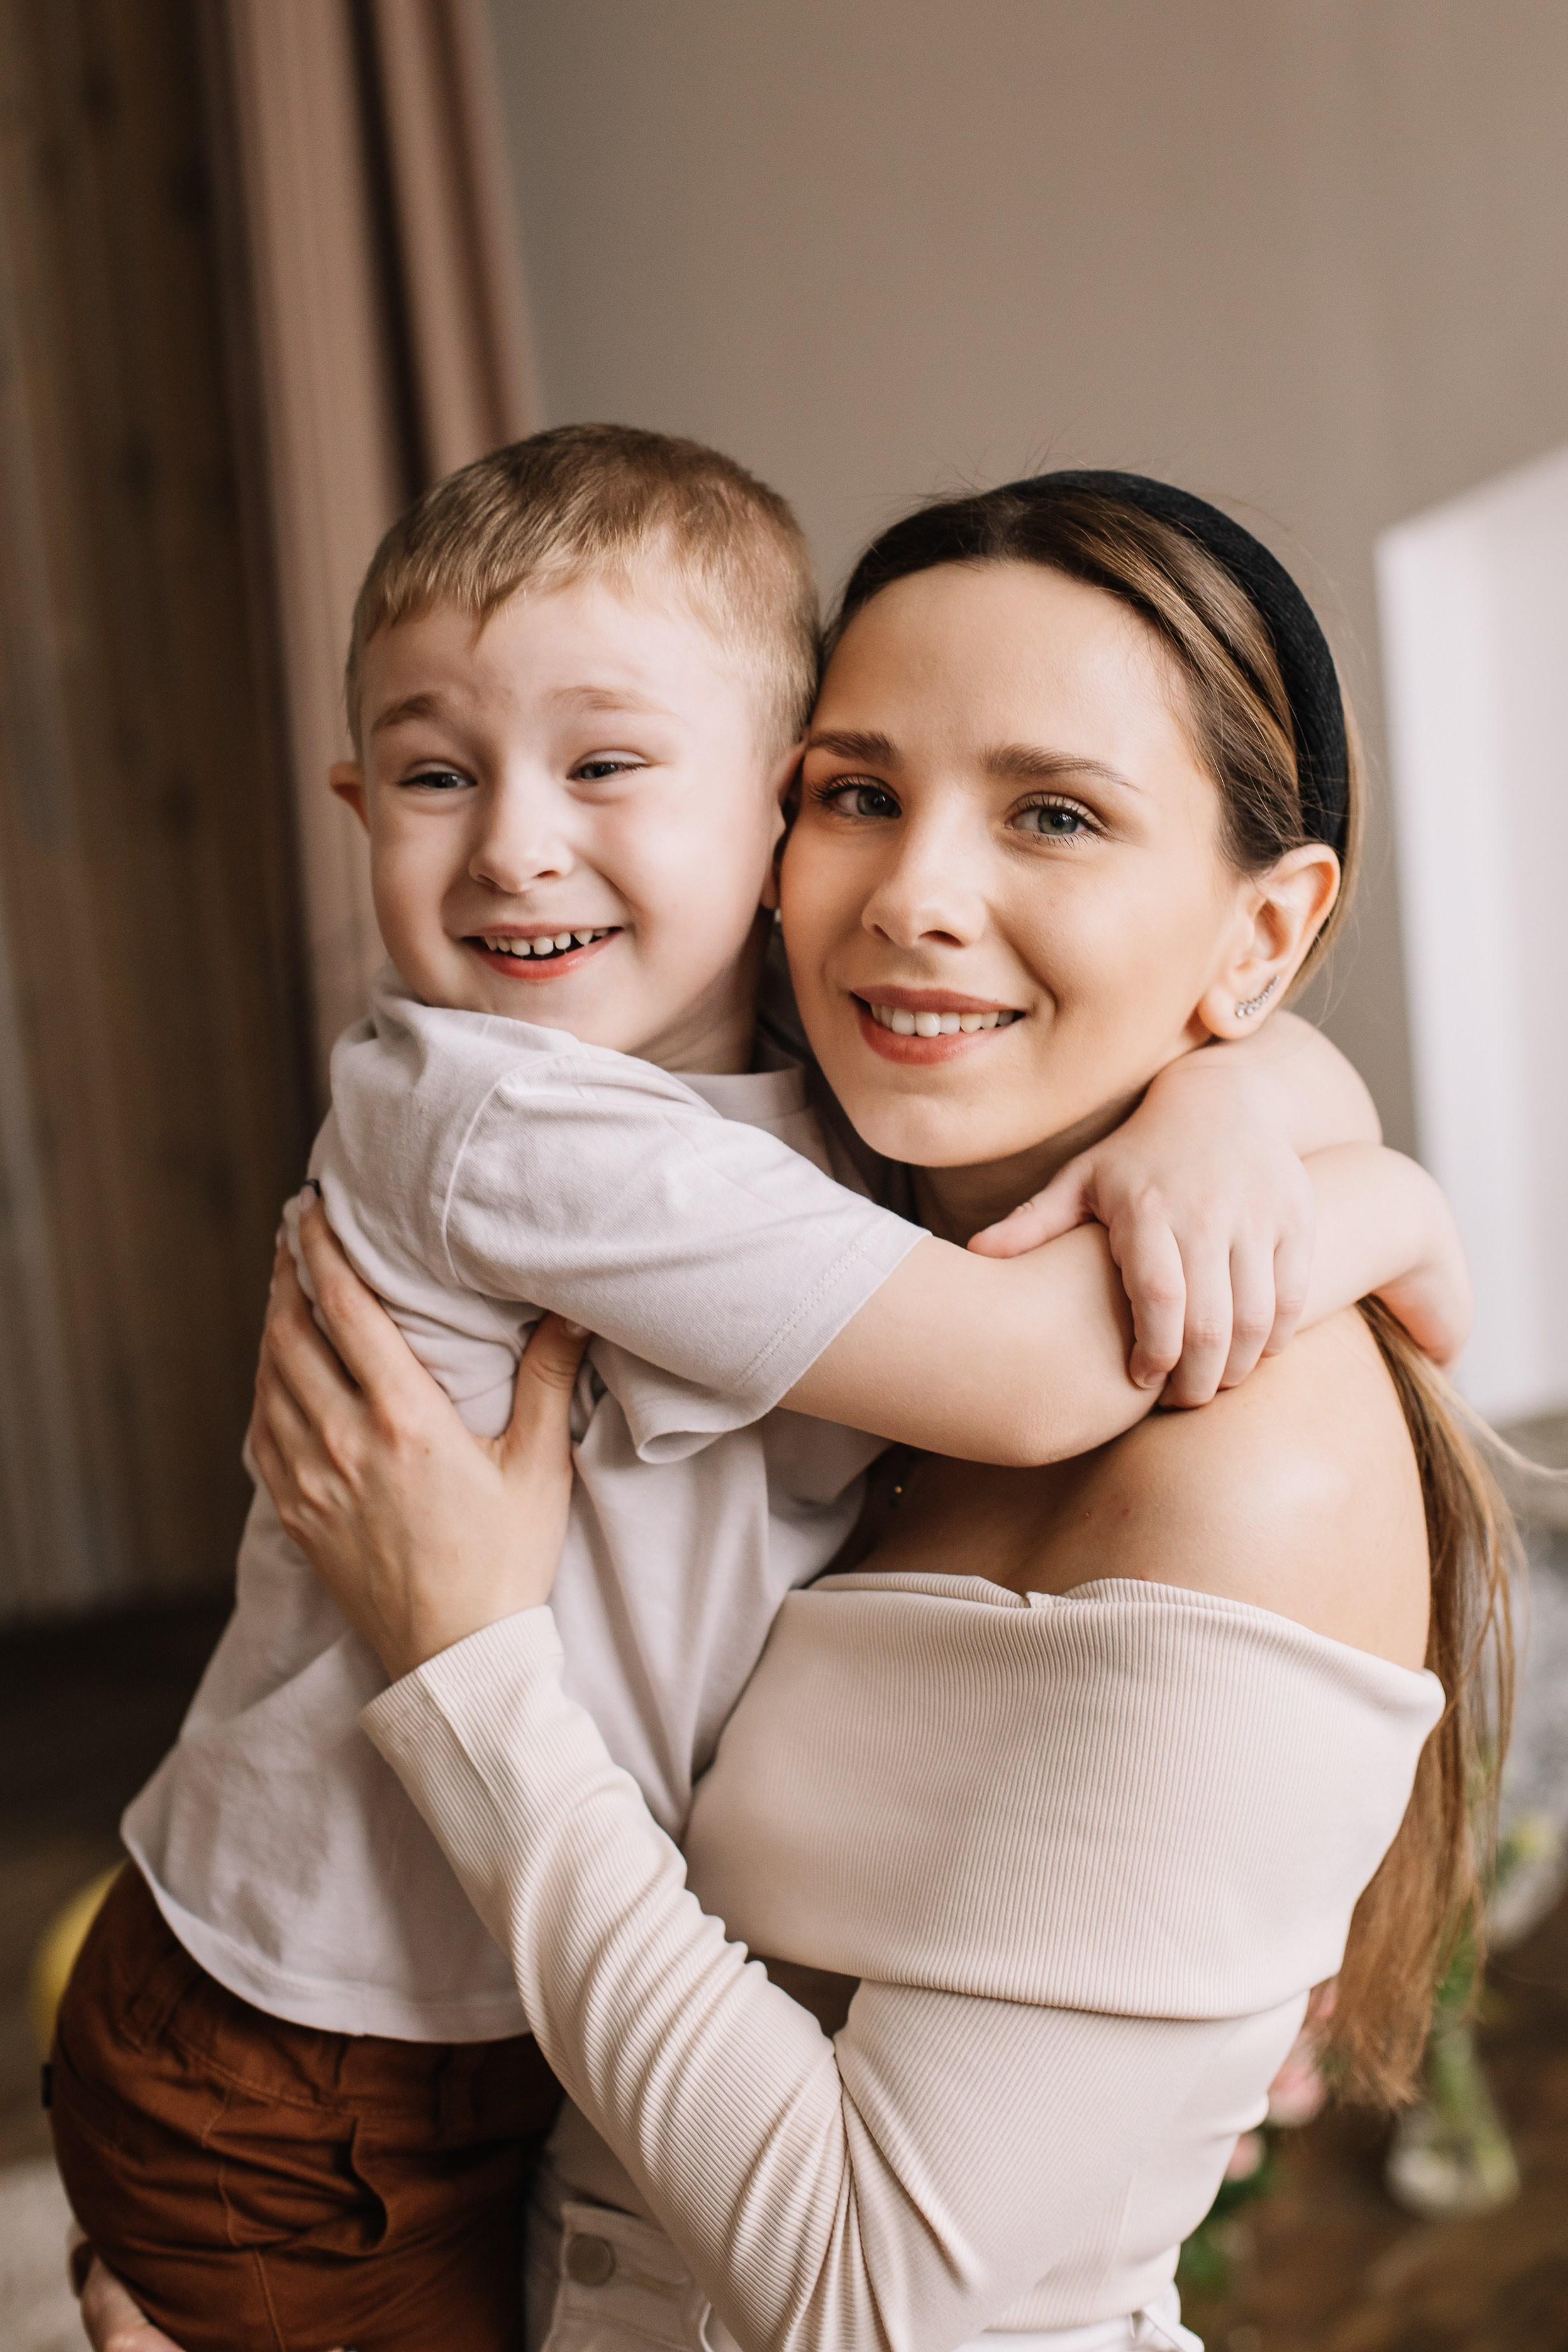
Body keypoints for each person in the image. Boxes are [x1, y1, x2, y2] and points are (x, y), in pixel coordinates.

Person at [53, 434, 1437, 2352]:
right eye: (858, 794)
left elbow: (870, 2296)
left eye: (1052, 813)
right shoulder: (777, 1149)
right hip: (337, 2072)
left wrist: (463, 1662)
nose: (912, 895)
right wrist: (1345, 1168)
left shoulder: (1238, 1459)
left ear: (1266, 931)